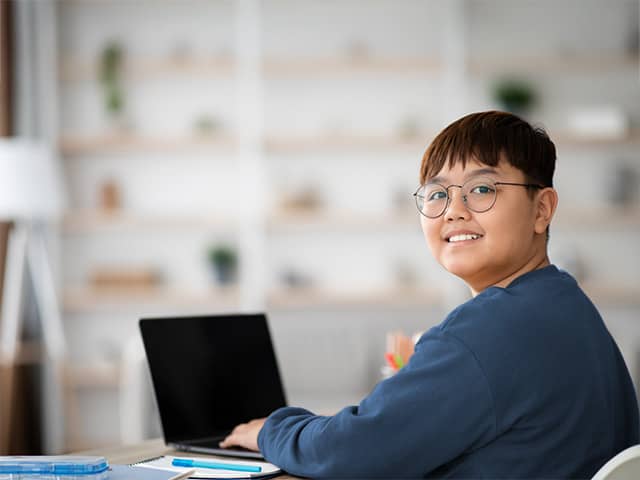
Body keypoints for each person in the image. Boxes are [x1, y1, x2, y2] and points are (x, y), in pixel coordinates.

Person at [220, 111, 639, 478]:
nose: (454, 209)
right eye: (437, 194)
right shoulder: (566, 304)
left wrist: (271, 429)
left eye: (482, 189)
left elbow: (351, 453)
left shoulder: (487, 331)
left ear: (542, 209)